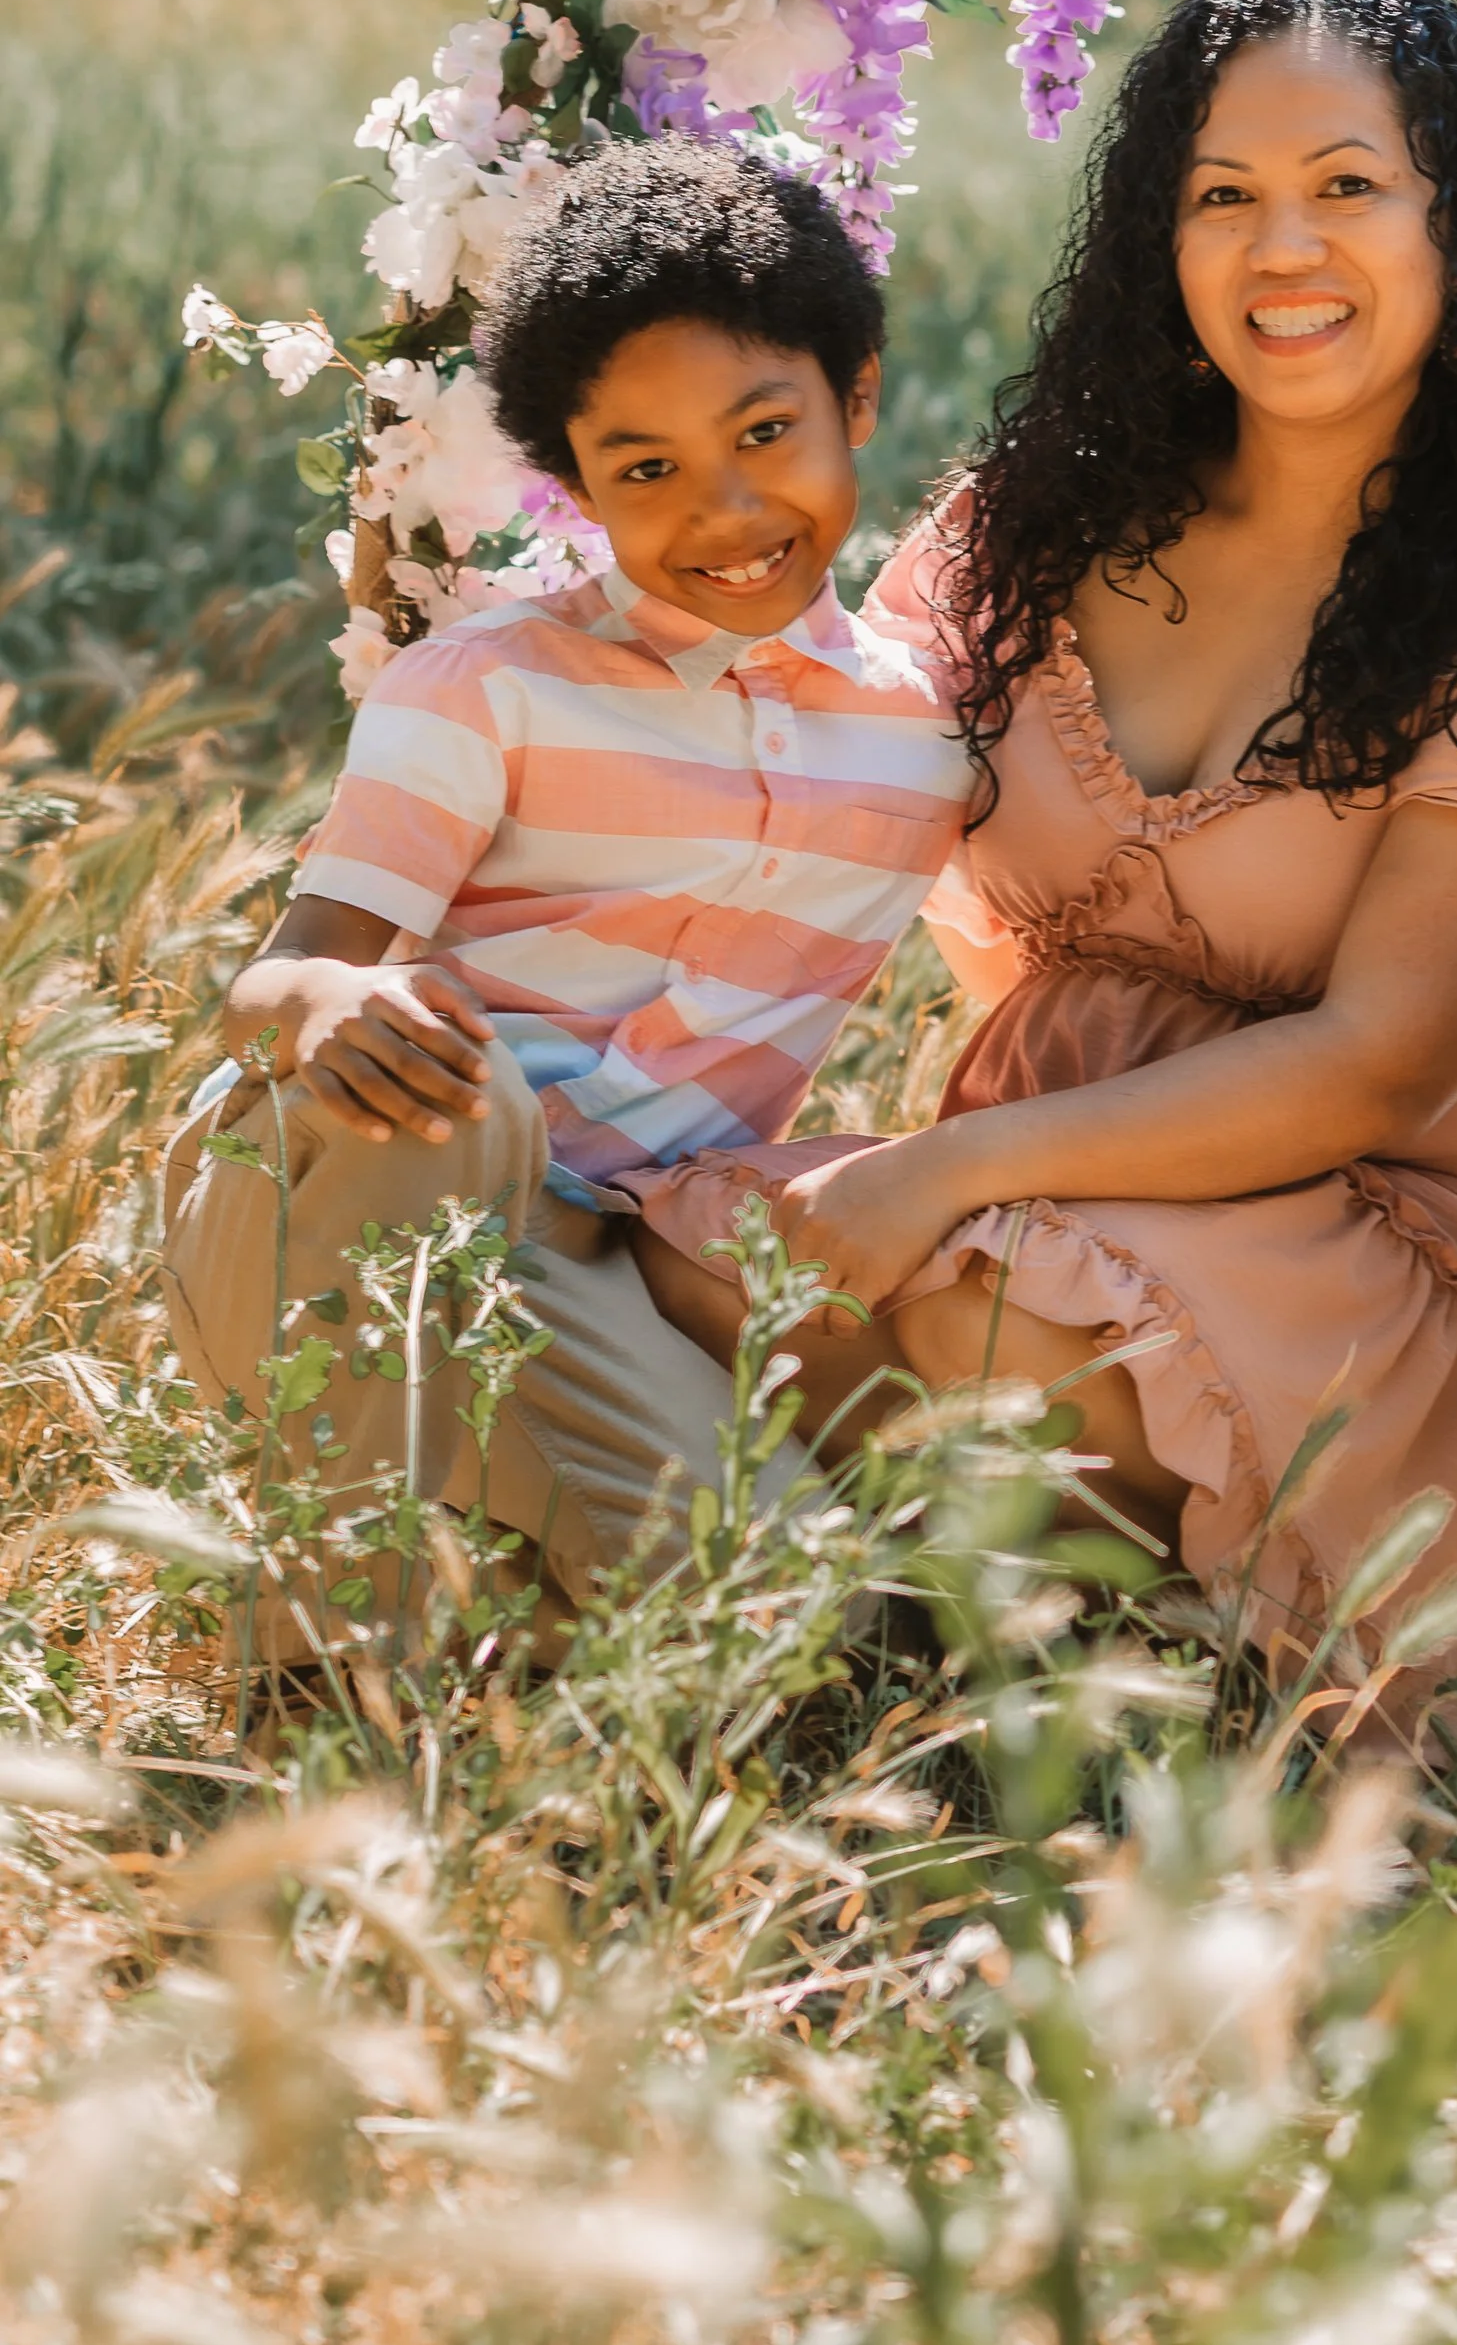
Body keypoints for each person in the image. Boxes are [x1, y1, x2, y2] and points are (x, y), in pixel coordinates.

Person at [630, 0, 1457, 1726]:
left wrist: (943, 1171)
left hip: (1366, 1225)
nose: (1284, 250)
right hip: (1047, 1186)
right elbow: (811, 794)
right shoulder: (1034, 526)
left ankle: (1082, 1613)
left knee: (978, 1335)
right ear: (1157, 235)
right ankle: (1025, 1614)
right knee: (663, 1238)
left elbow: (1371, 1069)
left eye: (1348, 186)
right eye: (1223, 196)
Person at [159, 140, 969, 1663]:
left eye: (767, 432)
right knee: (459, 1096)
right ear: (579, 488)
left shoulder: (931, 738)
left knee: (814, 1632)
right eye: (645, 470)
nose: (724, 509)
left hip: (598, 1265)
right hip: (341, 1197)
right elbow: (277, 983)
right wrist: (340, 1003)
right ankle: (321, 1669)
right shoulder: (486, 685)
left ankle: (505, 1590)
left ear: (857, 396)